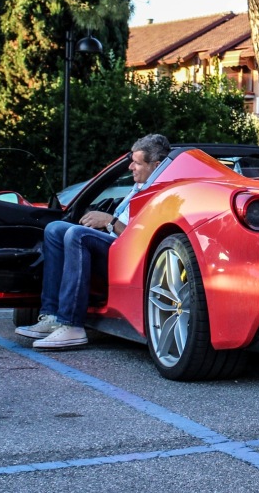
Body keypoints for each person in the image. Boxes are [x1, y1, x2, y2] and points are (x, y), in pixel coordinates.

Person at [15, 133, 171, 349]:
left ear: (155, 165)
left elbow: (144, 239)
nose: (130, 168)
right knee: (55, 228)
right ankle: (51, 316)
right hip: (114, 243)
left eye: (136, 163)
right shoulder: (138, 186)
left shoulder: (161, 193)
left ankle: (72, 326)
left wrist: (110, 221)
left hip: (129, 256)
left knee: (77, 235)